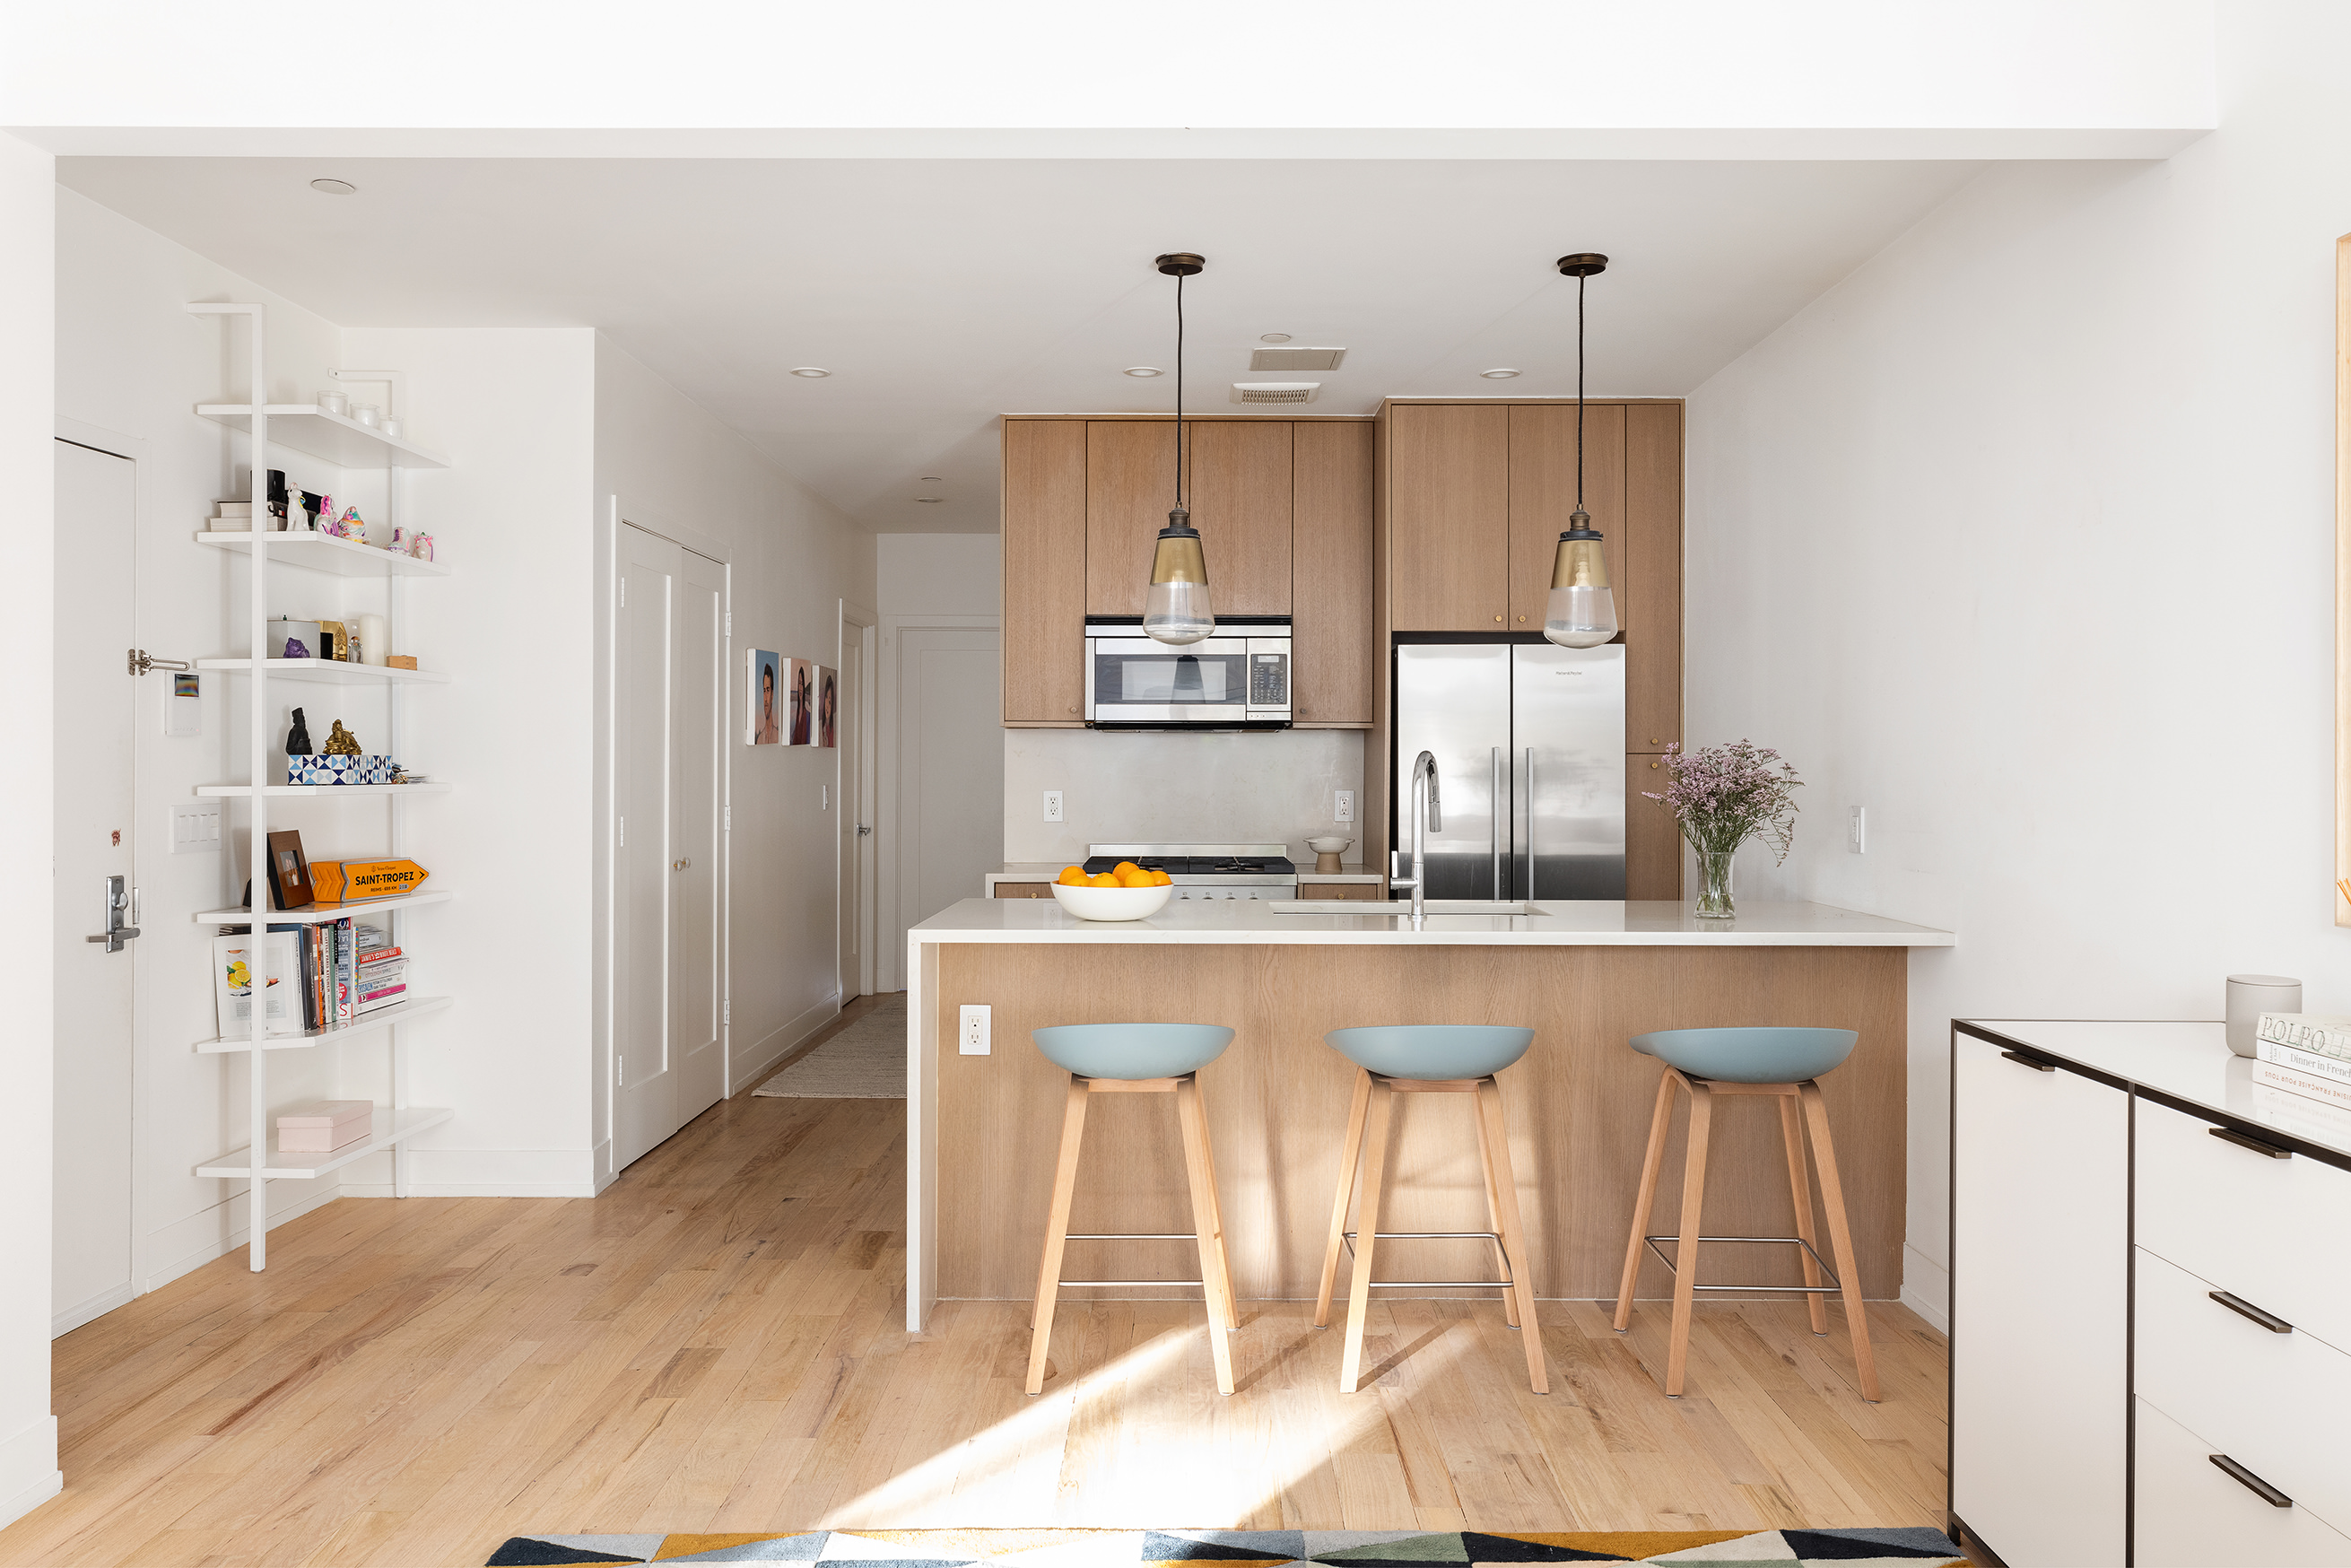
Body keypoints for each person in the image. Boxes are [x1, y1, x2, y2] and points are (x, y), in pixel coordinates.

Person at [755, 659, 781, 745]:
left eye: (768, 690)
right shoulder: (759, 739)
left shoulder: (778, 736)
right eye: (764, 691)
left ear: (772, 694)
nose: (765, 699)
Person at [789, 661, 813, 745]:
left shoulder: (808, 715)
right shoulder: (796, 712)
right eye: (799, 683)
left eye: (802, 684)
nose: (800, 688)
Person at [817, 668, 839, 748]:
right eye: (826, 698)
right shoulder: (819, 727)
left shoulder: (835, 729)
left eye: (830, 702)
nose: (827, 705)